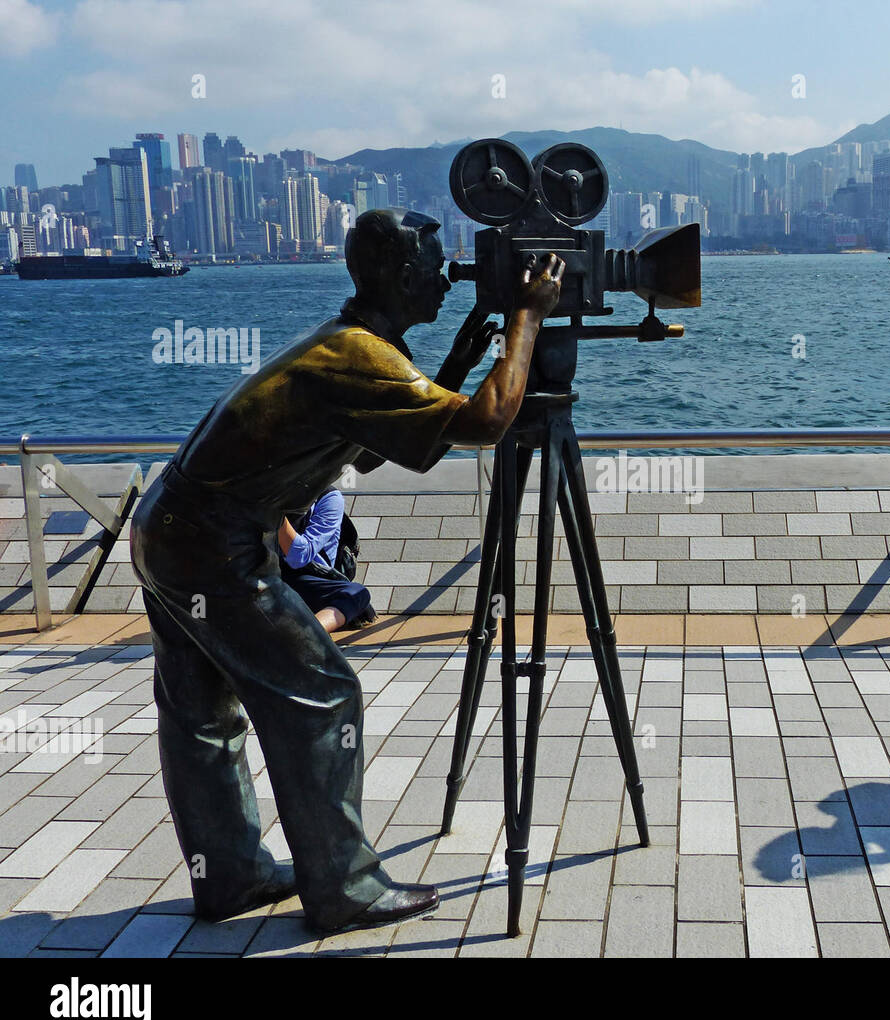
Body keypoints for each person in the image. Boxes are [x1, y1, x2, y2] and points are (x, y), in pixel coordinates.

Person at [130, 207, 565, 929]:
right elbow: (490, 422)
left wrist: (451, 369)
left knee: (200, 711)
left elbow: (366, 450)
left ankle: (230, 875)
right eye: (433, 270)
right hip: (211, 543)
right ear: (398, 276)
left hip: (168, 529)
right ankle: (342, 887)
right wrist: (527, 317)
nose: (447, 281)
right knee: (323, 694)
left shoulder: (348, 346)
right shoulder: (360, 356)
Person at [277, 486, 375, 634]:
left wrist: (272, 513)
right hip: (262, 576)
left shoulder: (328, 498)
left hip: (306, 581)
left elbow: (300, 556)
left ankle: (306, 634)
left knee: (356, 593)